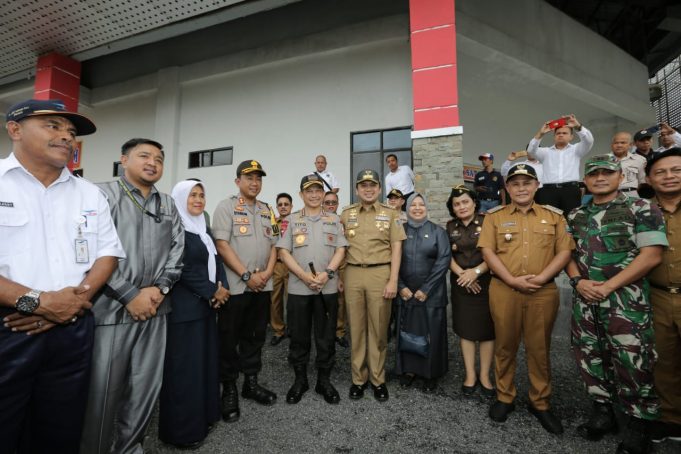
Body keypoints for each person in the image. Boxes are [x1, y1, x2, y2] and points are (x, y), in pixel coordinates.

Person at [0, 99, 124, 454]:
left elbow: (107, 253)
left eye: (71, 132)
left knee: (61, 427)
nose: (67, 137)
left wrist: (70, 304)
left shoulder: (89, 193)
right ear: (15, 129)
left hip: (73, 326)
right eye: (53, 126)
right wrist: (38, 302)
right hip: (9, 326)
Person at [81, 138, 185, 454]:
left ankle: (129, 449)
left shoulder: (167, 204)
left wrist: (160, 288)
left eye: (159, 158)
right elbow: (90, 250)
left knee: (145, 390)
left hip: (155, 310)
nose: (153, 162)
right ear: (124, 160)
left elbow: (177, 250)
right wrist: (129, 295)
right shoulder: (100, 194)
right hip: (111, 311)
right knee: (103, 394)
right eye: (144, 156)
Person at [566, 154, 666, 453]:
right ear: (585, 180)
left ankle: (639, 424)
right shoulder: (576, 215)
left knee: (632, 361)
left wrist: (609, 286)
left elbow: (652, 255)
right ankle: (603, 412)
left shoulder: (642, 208)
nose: (600, 178)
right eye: (593, 174)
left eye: (607, 173)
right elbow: (567, 255)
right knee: (590, 356)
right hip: (586, 300)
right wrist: (578, 281)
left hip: (626, 302)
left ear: (620, 177)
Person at [478, 163, 573, 435]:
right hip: (504, 290)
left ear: (536, 186)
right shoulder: (494, 217)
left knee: (539, 348)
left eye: (527, 183)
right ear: (507, 188)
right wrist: (511, 279)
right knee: (505, 346)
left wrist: (541, 278)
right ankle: (504, 396)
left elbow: (565, 252)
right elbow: (487, 251)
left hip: (542, 292)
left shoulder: (554, 216)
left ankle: (540, 402)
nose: (521, 188)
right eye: (515, 184)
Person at [158, 180, 230, 449]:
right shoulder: (175, 229)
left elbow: (216, 259)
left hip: (206, 308)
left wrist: (221, 289)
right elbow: (182, 269)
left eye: (201, 195)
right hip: (185, 312)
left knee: (204, 365)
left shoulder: (202, 228)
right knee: (184, 371)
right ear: (180, 199)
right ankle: (182, 432)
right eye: (192, 195)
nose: (198, 200)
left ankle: (204, 417)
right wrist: (213, 291)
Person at [212, 160, 279, 423]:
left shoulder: (267, 210)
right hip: (237, 287)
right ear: (237, 181)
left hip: (262, 285)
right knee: (229, 338)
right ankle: (228, 388)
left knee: (255, 336)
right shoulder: (226, 207)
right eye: (249, 177)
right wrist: (247, 276)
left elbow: (275, 245)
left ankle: (251, 383)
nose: (254, 182)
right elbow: (222, 245)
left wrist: (267, 273)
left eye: (258, 178)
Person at [277, 174, 347, 404]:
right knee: (299, 336)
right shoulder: (292, 220)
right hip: (299, 289)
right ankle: (300, 380)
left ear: (323, 193)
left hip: (326, 288)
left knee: (326, 336)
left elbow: (341, 249)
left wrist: (327, 273)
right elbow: (283, 251)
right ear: (301, 194)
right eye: (309, 191)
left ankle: (323, 381)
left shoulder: (334, 219)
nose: (314, 195)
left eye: (318, 190)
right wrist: (304, 276)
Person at [341, 169, 406, 402]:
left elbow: (397, 247)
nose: (368, 190)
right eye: (363, 186)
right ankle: (359, 379)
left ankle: (378, 379)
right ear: (357, 189)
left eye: (372, 185)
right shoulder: (346, 214)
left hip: (380, 273)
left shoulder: (390, 213)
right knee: (356, 329)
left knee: (378, 329)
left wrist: (393, 280)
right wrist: (339, 276)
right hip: (352, 273)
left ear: (379, 189)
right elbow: (340, 247)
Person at [396, 193, 451, 393]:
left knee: (432, 334)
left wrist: (426, 289)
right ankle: (409, 370)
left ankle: (430, 373)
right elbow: (391, 260)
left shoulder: (438, 232)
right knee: (407, 332)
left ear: (426, 208)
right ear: (407, 208)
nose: (417, 208)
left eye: (421, 205)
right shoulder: (399, 231)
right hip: (406, 293)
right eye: (413, 205)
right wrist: (400, 286)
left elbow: (443, 260)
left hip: (432, 295)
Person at [446, 186, 495, 398]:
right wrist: (463, 275)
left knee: (487, 331)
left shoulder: (487, 222)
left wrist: (475, 273)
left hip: (485, 282)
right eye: (457, 204)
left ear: (474, 203)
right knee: (465, 330)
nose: (462, 206)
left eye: (465, 202)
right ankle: (470, 375)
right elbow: (446, 255)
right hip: (461, 283)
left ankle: (484, 375)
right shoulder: (450, 226)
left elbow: (496, 252)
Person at [646, 148, 681, 443]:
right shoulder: (642, 211)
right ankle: (671, 418)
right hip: (657, 296)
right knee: (664, 359)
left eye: (676, 170)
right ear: (649, 179)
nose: (669, 176)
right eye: (660, 172)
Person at [527, 114, 594, 214]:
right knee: (548, 220)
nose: (561, 135)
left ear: (571, 137)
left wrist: (578, 126)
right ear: (554, 136)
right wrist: (540, 134)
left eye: (564, 133)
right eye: (558, 133)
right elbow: (530, 151)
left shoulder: (576, 149)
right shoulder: (545, 152)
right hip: (549, 191)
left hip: (570, 190)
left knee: (571, 220)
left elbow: (589, 141)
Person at [323, 191, 349, 348]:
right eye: (327, 202)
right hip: (322, 267)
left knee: (340, 301)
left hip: (341, 266)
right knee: (321, 302)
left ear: (338, 204)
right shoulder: (317, 220)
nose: (331, 205)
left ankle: (339, 332)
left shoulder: (342, 221)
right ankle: (324, 331)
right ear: (323, 204)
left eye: (334, 202)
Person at [270, 192, 293, 346]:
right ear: (277, 207)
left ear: (291, 206)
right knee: (275, 300)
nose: (283, 207)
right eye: (280, 204)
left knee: (292, 300)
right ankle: (278, 330)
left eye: (286, 204)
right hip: (277, 265)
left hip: (292, 266)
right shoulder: (272, 223)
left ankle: (293, 328)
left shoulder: (297, 222)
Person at [611, 132, 646, 197]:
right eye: (616, 143)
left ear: (630, 145)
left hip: (632, 195)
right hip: (610, 195)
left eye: (623, 143)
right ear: (612, 145)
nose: (619, 145)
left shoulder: (639, 160)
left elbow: (642, 181)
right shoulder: (604, 160)